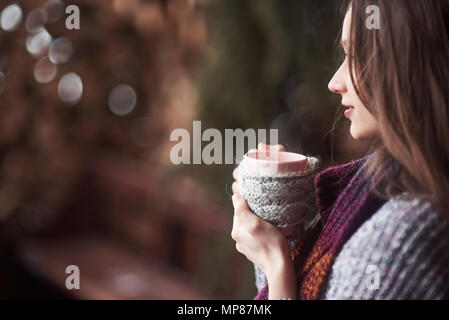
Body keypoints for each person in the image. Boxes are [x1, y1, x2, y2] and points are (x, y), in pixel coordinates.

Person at [231, 0, 449, 300]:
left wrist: (275, 263)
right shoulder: (378, 189)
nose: (335, 82)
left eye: (356, 55)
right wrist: (279, 224)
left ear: (409, 62)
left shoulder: (408, 233)